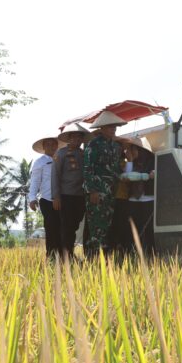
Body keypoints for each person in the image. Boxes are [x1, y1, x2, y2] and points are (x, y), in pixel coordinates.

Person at [83, 110, 125, 259]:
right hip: (97, 192)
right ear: (101, 128)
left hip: (111, 192)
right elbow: (88, 169)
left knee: (107, 225)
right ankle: (92, 259)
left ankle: (103, 259)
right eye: (110, 127)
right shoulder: (93, 145)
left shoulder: (116, 147)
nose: (113, 129)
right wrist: (92, 191)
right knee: (95, 226)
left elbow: (117, 168)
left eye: (115, 127)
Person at [52, 123, 91, 260]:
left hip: (80, 196)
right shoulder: (61, 154)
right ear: (69, 139)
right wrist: (56, 197)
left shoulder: (84, 154)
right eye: (73, 137)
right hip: (65, 196)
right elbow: (55, 176)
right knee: (66, 226)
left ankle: (69, 252)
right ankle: (66, 255)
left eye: (79, 138)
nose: (76, 140)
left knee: (75, 225)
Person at [29, 135, 62, 259]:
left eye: (53, 144)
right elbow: (35, 181)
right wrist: (32, 198)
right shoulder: (40, 162)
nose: (51, 146)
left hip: (63, 199)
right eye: (48, 144)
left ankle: (64, 256)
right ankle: (51, 256)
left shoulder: (61, 158)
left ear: (57, 145)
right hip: (47, 200)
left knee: (63, 229)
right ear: (43, 147)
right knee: (51, 229)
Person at [122, 137, 155, 254]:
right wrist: (130, 161)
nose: (130, 152)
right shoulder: (131, 163)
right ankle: (131, 252)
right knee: (132, 227)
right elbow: (127, 177)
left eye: (133, 149)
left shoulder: (153, 161)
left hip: (148, 199)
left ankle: (149, 253)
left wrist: (152, 174)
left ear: (141, 150)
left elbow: (156, 174)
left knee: (148, 229)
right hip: (133, 199)